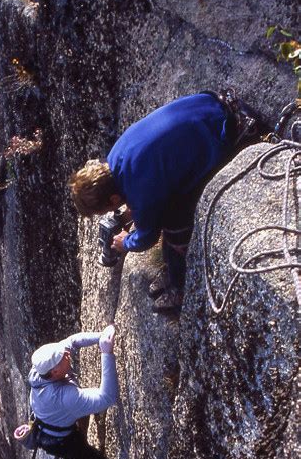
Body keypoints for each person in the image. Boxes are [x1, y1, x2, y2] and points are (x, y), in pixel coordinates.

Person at [69, 89, 260, 313]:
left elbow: (146, 237)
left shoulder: (139, 189)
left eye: (111, 206)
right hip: (217, 105)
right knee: (168, 200)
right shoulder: (115, 156)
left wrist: (125, 242)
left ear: (113, 198)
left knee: (173, 222)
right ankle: (170, 269)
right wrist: (134, 209)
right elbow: (148, 178)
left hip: (229, 132)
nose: (117, 208)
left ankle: (177, 290)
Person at [28, 325, 119, 459]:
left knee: (81, 412)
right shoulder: (63, 397)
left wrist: (100, 337)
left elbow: (73, 341)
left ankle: (81, 434)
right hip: (61, 441)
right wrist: (106, 352)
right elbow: (108, 397)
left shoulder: (42, 370)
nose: (67, 353)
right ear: (55, 372)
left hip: (52, 421)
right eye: (63, 357)